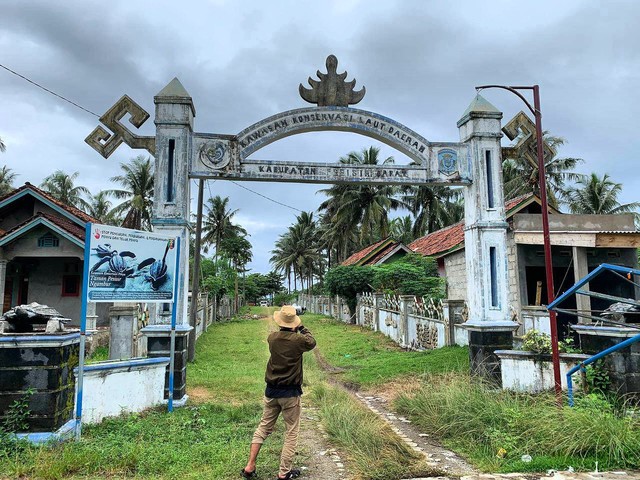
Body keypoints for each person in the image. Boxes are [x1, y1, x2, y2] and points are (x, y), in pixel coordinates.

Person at [241, 305, 316, 480]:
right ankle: (284, 473)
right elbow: (311, 342)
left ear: (279, 321)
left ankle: (250, 466)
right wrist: (302, 327)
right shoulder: (299, 341)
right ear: (294, 323)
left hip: (271, 390)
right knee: (291, 432)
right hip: (290, 393)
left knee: (263, 427)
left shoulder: (272, 338)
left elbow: (284, 337)